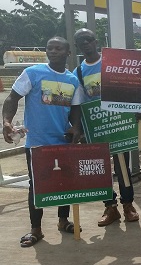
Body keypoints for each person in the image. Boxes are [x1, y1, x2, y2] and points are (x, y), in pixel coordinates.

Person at [2, 37, 83, 247]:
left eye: (59, 48)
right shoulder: (33, 73)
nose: (53, 51)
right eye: (50, 48)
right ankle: (36, 229)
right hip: (37, 143)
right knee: (36, 186)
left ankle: (63, 221)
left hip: (63, 142)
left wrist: (76, 127)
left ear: (68, 53)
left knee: (64, 183)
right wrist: (6, 122)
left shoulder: (73, 80)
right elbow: (12, 98)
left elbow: (75, 109)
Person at [72, 28, 140, 227]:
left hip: (119, 125)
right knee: (100, 169)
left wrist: (136, 109)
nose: (86, 43)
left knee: (122, 168)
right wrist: (81, 129)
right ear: (77, 46)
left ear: (96, 41)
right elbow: (80, 103)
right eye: (81, 41)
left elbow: (128, 89)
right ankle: (110, 207)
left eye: (89, 39)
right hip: (96, 128)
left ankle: (128, 205)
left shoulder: (111, 62)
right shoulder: (78, 72)